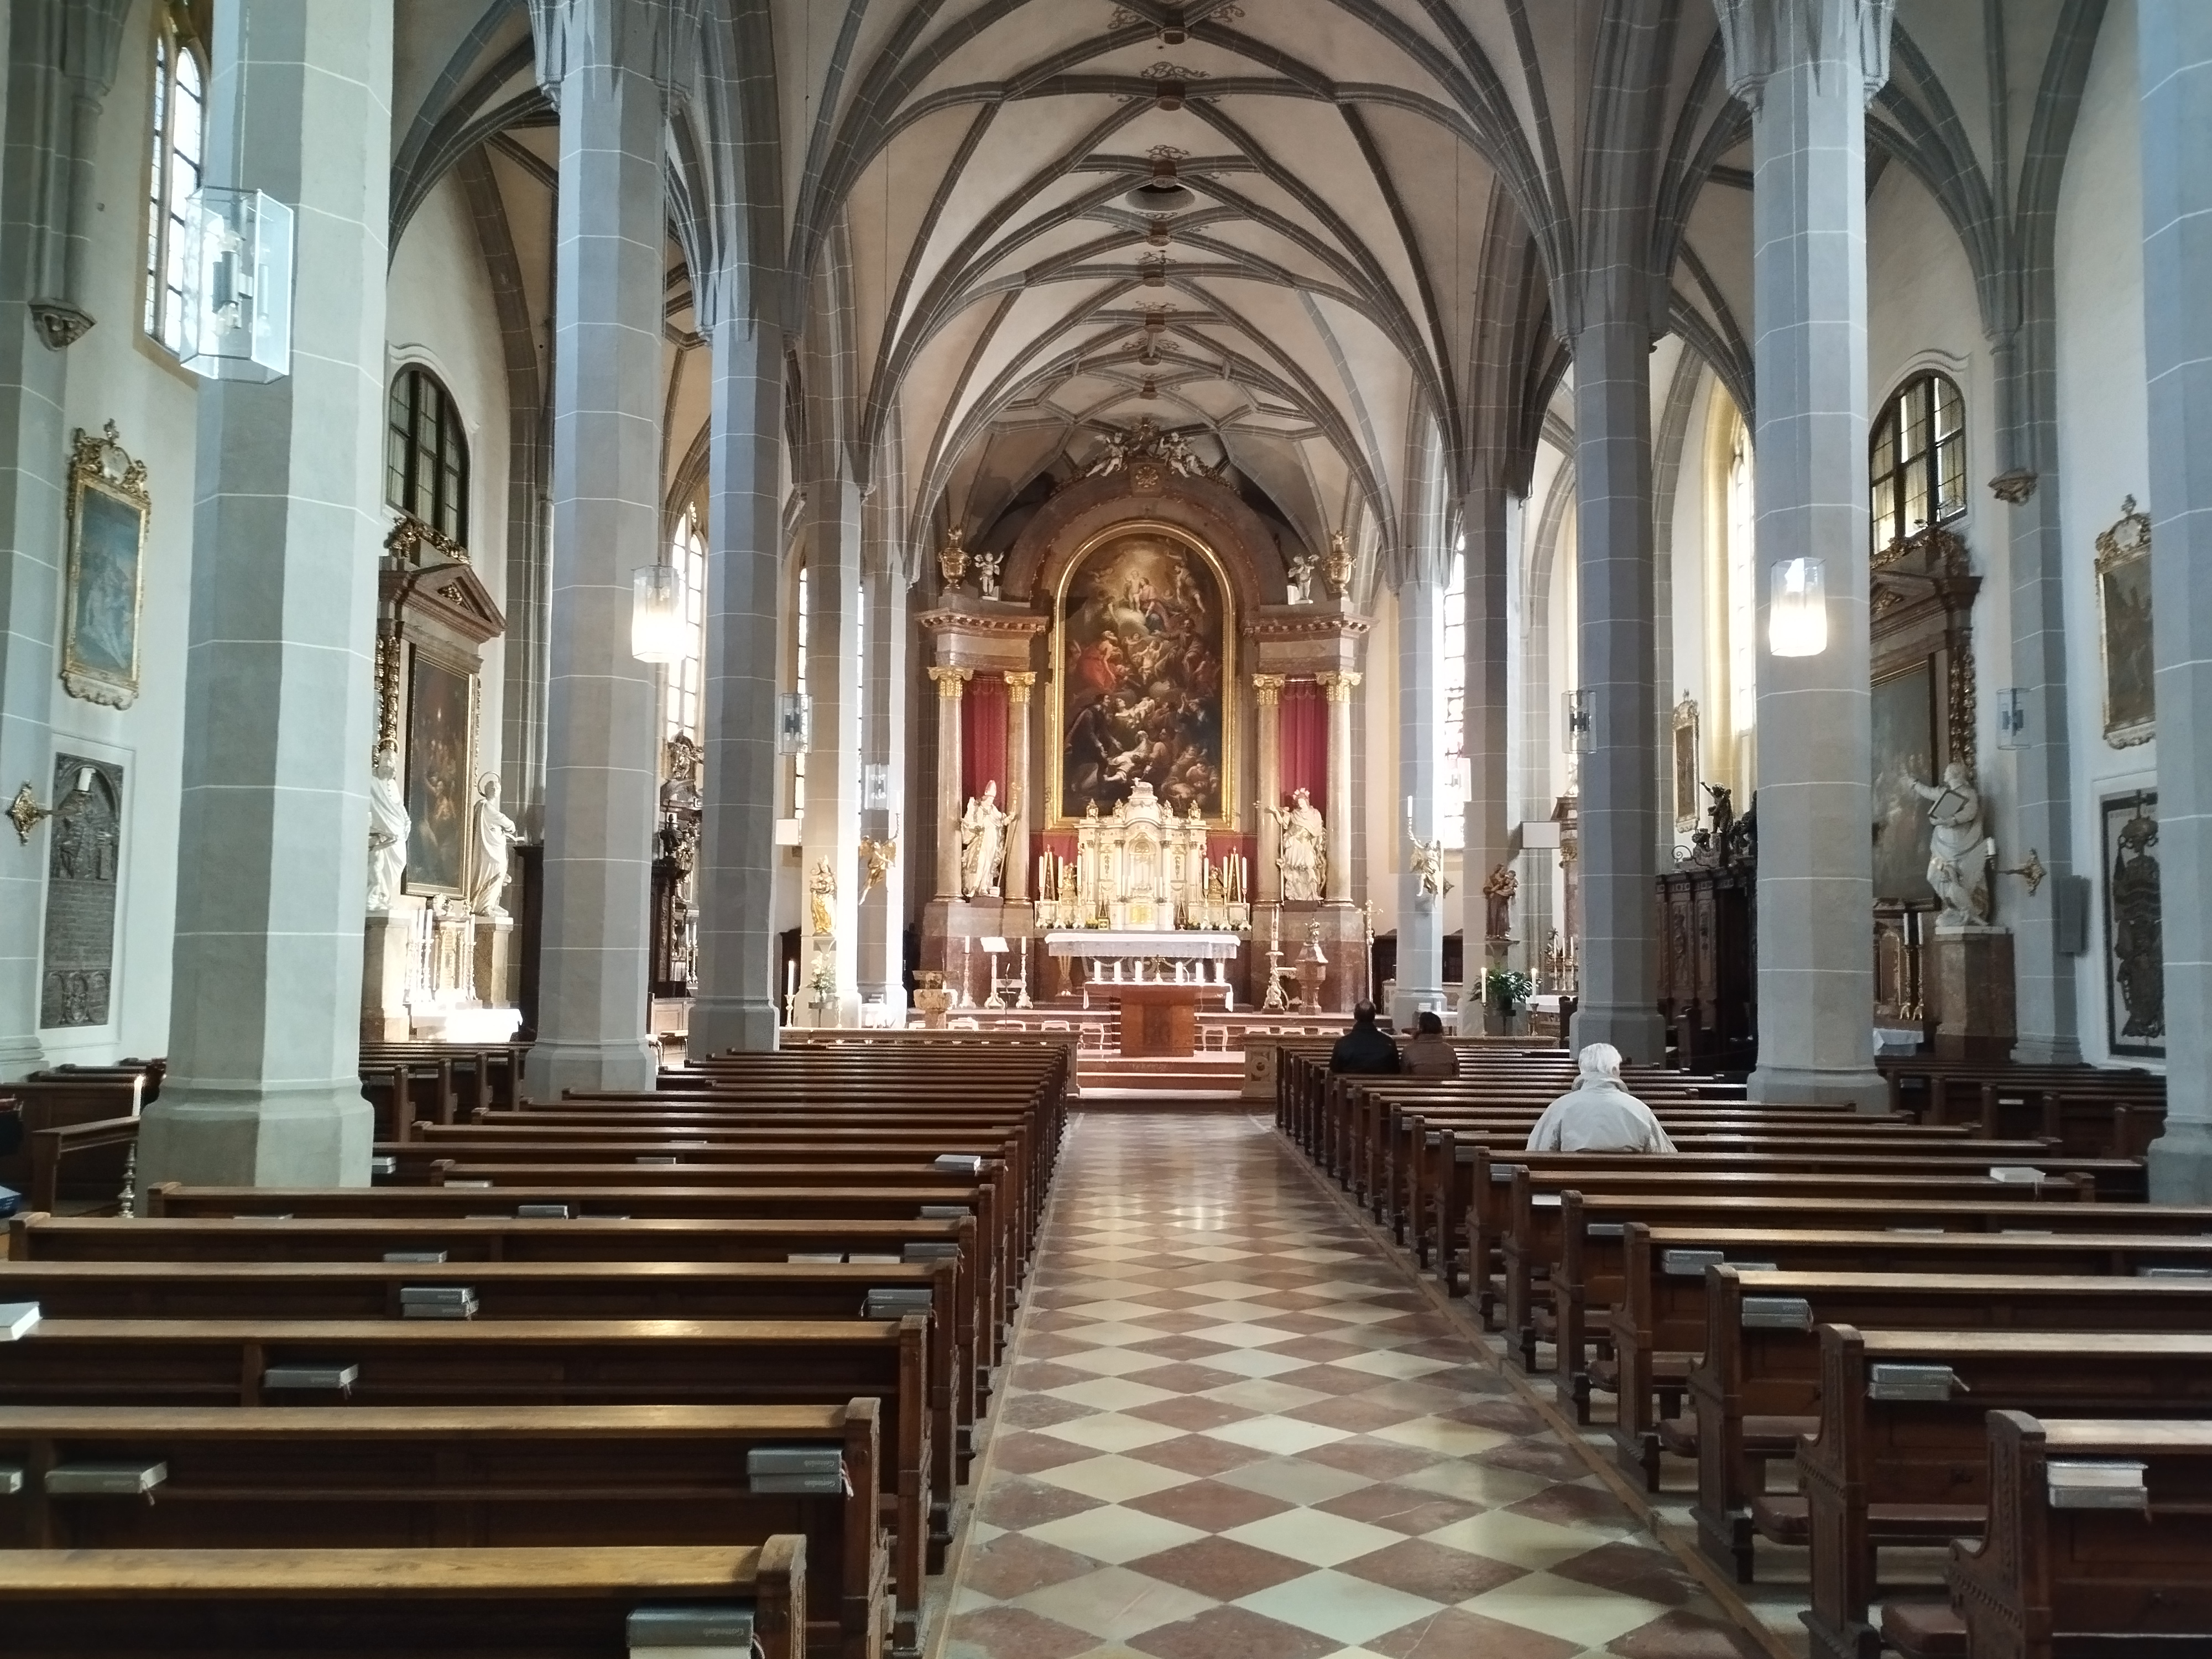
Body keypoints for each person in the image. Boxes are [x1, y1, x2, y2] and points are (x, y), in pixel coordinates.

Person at [1524, 1044, 1676, 1152]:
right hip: (1629, 1187)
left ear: (1582, 1070)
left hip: (1571, 1186)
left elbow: (1537, 1152)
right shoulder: (1640, 1110)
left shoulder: (1559, 1108)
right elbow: (1664, 1155)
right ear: (1615, 1070)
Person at [1329, 1000, 1401, 1075]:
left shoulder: (1342, 1044)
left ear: (1355, 1016)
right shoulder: (1389, 1042)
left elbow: (1334, 1070)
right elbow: (1396, 1070)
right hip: (1382, 1083)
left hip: (1349, 1082)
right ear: (1374, 1016)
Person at [1402, 1010, 1457, 1077]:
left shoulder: (1409, 1050)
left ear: (1419, 1028)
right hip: (1444, 1084)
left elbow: (1404, 1075)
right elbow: (1456, 1074)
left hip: (1418, 1084)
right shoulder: (1449, 1050)